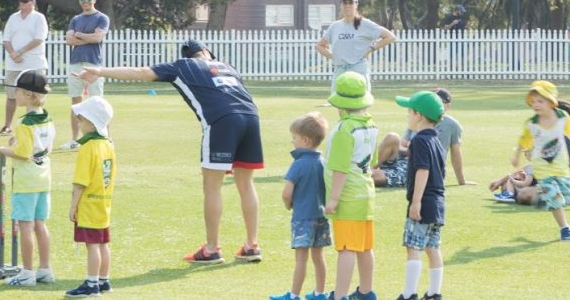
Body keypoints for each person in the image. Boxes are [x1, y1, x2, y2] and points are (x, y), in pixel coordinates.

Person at [80, 39, 263, 265]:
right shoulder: (227, 66)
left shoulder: (183, 65)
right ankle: (252, 245)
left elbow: (140, 72)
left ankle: (212, 249)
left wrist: (99, 71)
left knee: (212, 186)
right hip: (252, 118)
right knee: (246, 185)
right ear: (207, 52)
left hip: (221, 121)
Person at [0, 70, 56, 287]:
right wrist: (17, 141)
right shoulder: (46, 115)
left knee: (25, 226)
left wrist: (2, 148)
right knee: (40, 225)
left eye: (17, 91)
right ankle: (45, 269)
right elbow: (44, 146)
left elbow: (23, 153)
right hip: (43, 178)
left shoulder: (24, 122)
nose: (14, 94)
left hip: (26, 181)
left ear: (28, 95)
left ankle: (27, 273)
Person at [324, 72, 379, 300]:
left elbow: (339, 168)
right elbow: (374, 162)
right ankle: (366, 292)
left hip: (347, 197)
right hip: (366, 195)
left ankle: (340, 295)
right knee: (365, 247)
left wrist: (333, 199)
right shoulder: (371, 125)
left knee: (346, 248)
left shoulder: (343, 130)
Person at [270, 112, 331, 300]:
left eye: (294, 137)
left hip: (303, 217)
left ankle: (294, 295)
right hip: (321, 216)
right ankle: (319, 293)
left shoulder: (298, 164)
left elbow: (287, 193)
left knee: (301, 259)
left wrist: (288, 204)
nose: (292, 141)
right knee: (319, 257)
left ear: (305, 140)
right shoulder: (323, 162)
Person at [511, 80, 570, 240]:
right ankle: (565, 229)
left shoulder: (563, 117)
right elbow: (524, 141)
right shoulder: (532, 124)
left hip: (561, 167)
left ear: (551, 102)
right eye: (533, 102)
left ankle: (543, 197)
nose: (536, 105)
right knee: (555, 199)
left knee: (568, 196)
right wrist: (516, 156)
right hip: (542, 168)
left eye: (540, 101)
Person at [394, 91, 446, 300]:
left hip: (423, 201)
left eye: (410, 111)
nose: (408, 115)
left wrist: (415, 202)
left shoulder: (419, 141)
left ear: (419, 115)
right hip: (438, 202)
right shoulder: (437, 141)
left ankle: (409, 293)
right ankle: (434, 292)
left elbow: (422, 171)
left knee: (413, 246)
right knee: (432, 247)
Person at [65, 96, 116, 297]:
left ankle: (92, 284)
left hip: (88, 204)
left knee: (92, 245)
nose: (79, 123)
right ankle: (104, 281)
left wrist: (73, 206)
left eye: (82, 119)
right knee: (103, 243)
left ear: (92, 123)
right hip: (104, 202)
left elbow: (80, 182)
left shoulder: (87, 147)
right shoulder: (108, 144)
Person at [372, 88, 474, 188]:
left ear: (447, 106)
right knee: (392, 137)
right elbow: (403, 146)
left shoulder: (452, 125)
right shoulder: (417, 121)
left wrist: (462, 181)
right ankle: (370, 169)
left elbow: (455, 154)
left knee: (375, 177)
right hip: (405, 160)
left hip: (420, 166)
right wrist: (403, 148)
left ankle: (368, 174)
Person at [316, 0, 396, 92]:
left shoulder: (365, 24)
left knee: (359, 104)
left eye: (351, 3)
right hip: (340, 70)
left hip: (358, 69)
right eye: (345, 3)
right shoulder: (335, 26)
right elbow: (320, 46)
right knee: (340, 104)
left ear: (356, 5)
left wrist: (371, 48)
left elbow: (390, 37)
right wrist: (332, 56)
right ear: (340, 5)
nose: (347, 6)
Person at [61, 0, 110, 151]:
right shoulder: (75, 19)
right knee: (76, 101)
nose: (85, 1)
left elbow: (98, 38)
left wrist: (80, 35)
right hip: (76, 62)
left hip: (93, 63)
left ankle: (104, 137)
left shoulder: (102, 18)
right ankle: (74, 139)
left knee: (97, 101)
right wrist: (87, 37)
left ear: (94, 0)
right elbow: (69, 41)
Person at [0, 0, 49, 135]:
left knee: (34, 96)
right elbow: (6, 39)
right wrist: (13, 54)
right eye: (21, 1)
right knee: (11, 95)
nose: (22, 3)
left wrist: (20, 52)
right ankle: (7, 125)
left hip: (34, 62)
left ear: (33, 3)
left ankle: (33, 124)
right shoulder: (13, 18)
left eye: (26, 1)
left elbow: (39, 39)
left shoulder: (39, 18)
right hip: (13, 63)